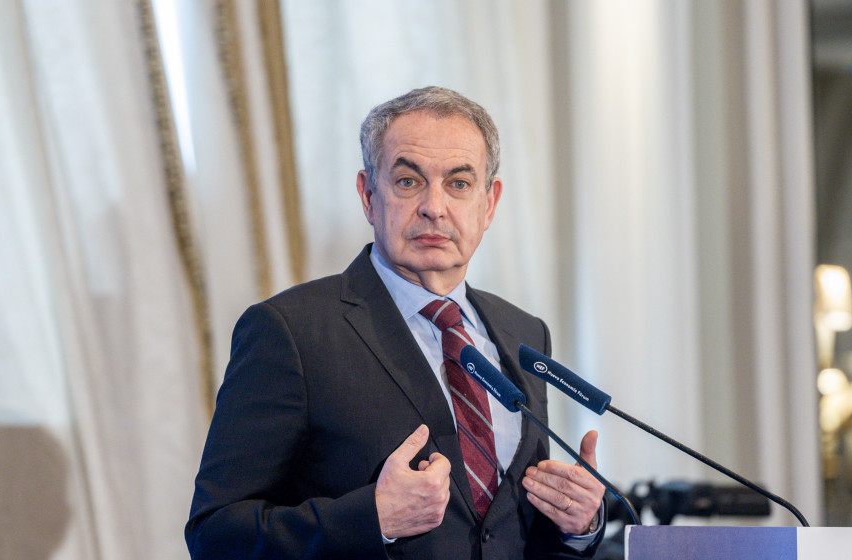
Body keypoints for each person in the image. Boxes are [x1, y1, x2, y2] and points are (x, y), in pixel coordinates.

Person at [186, 86, 606, 559]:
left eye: (459, 184)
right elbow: (214, 534)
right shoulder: (291, 332)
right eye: (408, 182)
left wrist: (578, 525)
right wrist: (374, 518)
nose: (434, 206)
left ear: (489, 204)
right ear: (368, 195)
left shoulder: (524, 333)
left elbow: (505, 533)